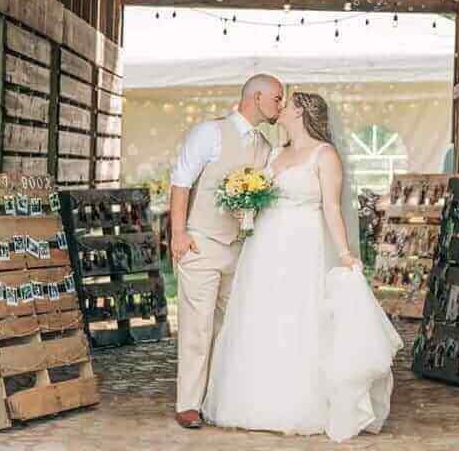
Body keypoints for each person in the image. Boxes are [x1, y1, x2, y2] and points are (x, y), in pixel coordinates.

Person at [203, 92, 402, 441]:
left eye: (287, 103)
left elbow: (331, 208)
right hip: (264, 245)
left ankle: (302, 405)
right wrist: (244, 205)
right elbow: (263, 196)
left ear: (300, 112)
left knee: (299, 317)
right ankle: (253, 401)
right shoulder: (276, 153)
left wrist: (344, 253)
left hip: (303, 245)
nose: (280, 108)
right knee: (260, 316)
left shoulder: (325, 155)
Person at [169, 73, 284, 429]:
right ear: (258, 97)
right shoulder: (209, 132)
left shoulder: (266, 146)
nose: (281, 104)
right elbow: (181, 182)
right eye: (278, 98)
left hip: (240, 250)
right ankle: (188, 404)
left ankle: (215, 399)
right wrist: (178, 234)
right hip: (201, 243)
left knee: (228, 328)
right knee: (197, 328)